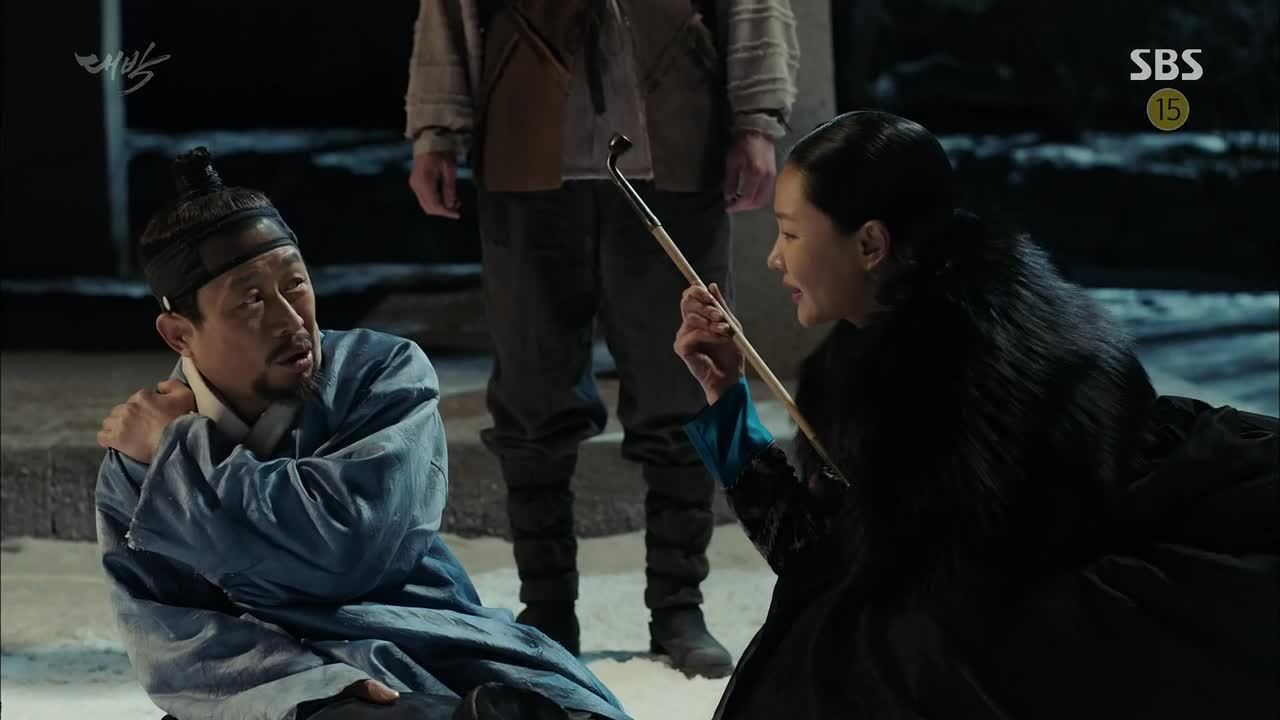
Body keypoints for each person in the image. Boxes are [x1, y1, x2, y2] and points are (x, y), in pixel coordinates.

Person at [673, 111, 1280, 719]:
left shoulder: (951, 387)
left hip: (1091, 610)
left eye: (790, 234)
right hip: (1021, 587)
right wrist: (726, 396)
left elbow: (828, 564)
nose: (774, 259)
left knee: (842, 659)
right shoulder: (885, 350)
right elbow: (826, 553)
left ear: (870, 244)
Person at [93, 147, 630, 720]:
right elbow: (170, 639)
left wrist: (182, 456)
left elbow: (349, 549)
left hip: (428, 641)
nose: (291, 320)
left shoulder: (381, 375)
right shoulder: (133, 461)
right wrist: (317, 684)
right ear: (179, 334)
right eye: (251, 300)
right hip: (272, 687)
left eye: (295, 284)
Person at [403, 0, 799, 677]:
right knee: (531, 392)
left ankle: (678, 604)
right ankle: (547, 605)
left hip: (675, 135)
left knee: (688, 381)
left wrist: (757, 120)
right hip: (527, 137)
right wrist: (435, 131)